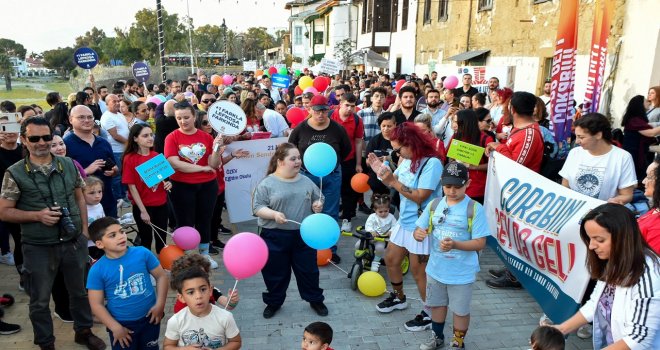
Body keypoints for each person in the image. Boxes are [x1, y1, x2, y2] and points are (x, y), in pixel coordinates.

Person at [0, 116, 106, 350]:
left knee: (79, 292)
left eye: (46, 137)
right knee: (39, 301)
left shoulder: (68, 164)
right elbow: (5, 212)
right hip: (38, 245)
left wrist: (84, 230)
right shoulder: (14, 172)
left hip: (73, 241)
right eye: (34, 138)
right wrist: (37, 216)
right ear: (24, 139)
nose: (42, 142)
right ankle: (46, 343)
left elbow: (79, 195)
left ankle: (84, 331)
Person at [367, 122, 443, 332]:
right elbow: (394, 181)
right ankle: (399, 298)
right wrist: (382, 172)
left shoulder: (432, 164)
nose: (397, 153)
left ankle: (430, 313)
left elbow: (420, 195)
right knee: (391, 259)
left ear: (412, 143)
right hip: (404, 221)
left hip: (422, 226)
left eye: (399, 149)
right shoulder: (407, 160)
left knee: (420, 273)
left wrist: (392, 181)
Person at [553, 203, 660, 349]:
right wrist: (560, 330)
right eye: (590, 239)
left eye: (600, 240)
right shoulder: (614, 260)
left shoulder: (649, 275)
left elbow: (639, 338)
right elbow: (594, 304)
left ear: (622, 237)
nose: (591, 246)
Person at [414, 162, 489, 349]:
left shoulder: (474, 208)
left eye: (458, 187)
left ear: (468, 183)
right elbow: (418, 229)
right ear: (441, 183)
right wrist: (419, 234)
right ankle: (437, 337)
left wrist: (456, 245)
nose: (452, 191)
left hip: (461, 273)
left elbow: (480, 243)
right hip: (436, 269)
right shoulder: (435, 204)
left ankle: (458, 342)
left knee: (460, 310)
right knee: (437, 305)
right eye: (448, 186)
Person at [252, 143, 326, 319]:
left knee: (308, 271)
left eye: (299, 158)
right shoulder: (267, 183)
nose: (298, 161)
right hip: (273, 235)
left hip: (303, 235)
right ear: (280, 162)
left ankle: (315, 299)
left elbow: (319, 198)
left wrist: (318, 205)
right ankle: (274, 302)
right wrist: (273, 214)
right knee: (275, 272)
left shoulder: (306, 180)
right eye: (293, 158)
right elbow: (257, 207)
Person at [485, 92, 545, 290]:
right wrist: (499, 145)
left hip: (522, 193)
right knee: (510, 233)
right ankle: (511, 268)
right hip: (512, 191)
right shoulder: (521, 130)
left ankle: (515, 276)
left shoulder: (530, 133)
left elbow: (517, 163)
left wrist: (497, 147)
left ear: (513, 109)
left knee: (518, 235)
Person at [87, 216, 168, 350]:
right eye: (112, 235)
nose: (121, 236)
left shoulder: (143, 253)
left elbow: (161, 277)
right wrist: (115, 327)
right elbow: (96, 305)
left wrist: (160, 305)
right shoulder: (97, 270)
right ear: (100, 244)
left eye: (121, 231)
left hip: (150, 318)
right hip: (121, 325)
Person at [288, 95, 351, 264]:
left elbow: (346, 150)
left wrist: (333, 164)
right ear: (309, 110)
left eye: (324, 110)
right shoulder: (301, 129)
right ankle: (307, 247)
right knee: (305, 211)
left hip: (332, 175)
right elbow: (291, 149)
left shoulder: (337, 129)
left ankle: (330, 249)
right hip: (306, 175)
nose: (321, 114)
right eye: (317, 111)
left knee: (330, 212)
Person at [164, 101, 224, 268]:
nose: (183, 121)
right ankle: (187, 256)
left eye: (186, 117)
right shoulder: (172, 137)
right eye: (179, 118)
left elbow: (213, 164)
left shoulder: (206, 136)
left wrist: (216, 150)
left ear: (194, 116)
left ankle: (204, 254)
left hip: (207, 186)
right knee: (184, 222)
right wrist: (202, 168)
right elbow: (174, 163)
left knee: (205, 220)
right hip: (182, 186)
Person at [559, 113, 637, 203]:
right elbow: (565, 186)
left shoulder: (622, 157)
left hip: (602, 213)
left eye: (581, 137)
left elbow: (626, 195)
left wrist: (614, 201)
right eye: (576, 136)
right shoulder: (575, 153)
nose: (577, 141)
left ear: (598, 135)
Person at [122, 124, 172, 254]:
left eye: (151, 135)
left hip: (161, 204)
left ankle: (162, 266)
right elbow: (132, 187)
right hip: (143, 206)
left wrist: (168, 184)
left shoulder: (156, 155)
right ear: (135, 138)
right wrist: (143, 211)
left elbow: (163, 179)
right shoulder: (129, 159)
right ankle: (146, 269)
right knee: (146, 240)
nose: (150, 138)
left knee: (162, 240)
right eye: (145, 135)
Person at [164, 265, 241, 349]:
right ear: (181, 298)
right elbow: (168, 346)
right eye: (191, 292)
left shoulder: (225, 317)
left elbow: (236, 342)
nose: (199, 296)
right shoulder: (176, 321)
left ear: (210, 290)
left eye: (203, 289)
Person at [64, 105, 119, 218]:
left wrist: (113, 171)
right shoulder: (65, 145)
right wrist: (86, 171)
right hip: (82, 206)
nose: (87, 120)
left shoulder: (103, 143)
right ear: (71, 119)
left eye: (90, 117)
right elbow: (64, 178)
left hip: (107, 200)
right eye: (81, 117)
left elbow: (115, 167)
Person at [330, 93, 365, 232]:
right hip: (329, 160)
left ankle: (347, 218)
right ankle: (329, 217)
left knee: (348, 191)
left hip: (348, 160)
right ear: (340, 103)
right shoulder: (330, 116)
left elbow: (358, 142)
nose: (350, 108)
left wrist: (358, 163)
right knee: (331, 190)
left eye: (352, 106)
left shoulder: (357, 120)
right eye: (347, 105)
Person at [170, 253, 240, 313]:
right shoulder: (180, 308)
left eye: (203, 275)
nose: (199, 296)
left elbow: (228, 305)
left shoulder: (210, 289)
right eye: (191, 292)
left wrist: (232, 301)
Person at [449, 110, 493, 204]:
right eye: (453, 121)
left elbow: (493, 165)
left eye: (457, 122)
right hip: (457, 186)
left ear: (466, 123)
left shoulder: (485, 139)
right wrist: (453, 161)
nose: (453, 125)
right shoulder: (456, 136)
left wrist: (474, 167)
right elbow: (450, 156)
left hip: (477, 189)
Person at [621, 95, 660, 186]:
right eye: (646, 101)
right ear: (640, 105)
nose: (648, 102)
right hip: (633, 153)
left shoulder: (637, 119)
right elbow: (650, 133)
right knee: (634, 178)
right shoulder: (634, 120)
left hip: (637, 152)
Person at [365, 112, 399, 196]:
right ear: (380, 126)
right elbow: (367, 162)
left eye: (389, 126)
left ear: (395, 125)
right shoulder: (374, 141)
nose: (386, 129)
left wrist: (390, 159)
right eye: (383, 126)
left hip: (396, 176)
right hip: (377, 179)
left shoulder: (399, 140)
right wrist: (375, 162)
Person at [363, 193, 397, 272]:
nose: (383, 213)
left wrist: (391, 231)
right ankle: (364, 258)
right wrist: (371, 231)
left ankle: (376, 261)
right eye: (380, 212)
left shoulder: (391, 217)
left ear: (389, 209)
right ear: (375, 210)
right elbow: (368, 225)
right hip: (370, 237)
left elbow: (395, 225)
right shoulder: (372, 216)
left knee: (380, 248)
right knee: (358, 245)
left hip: (381, 239)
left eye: (386, 211)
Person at [638, 157, 660, 253]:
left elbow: (648, 263)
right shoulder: (656, 208)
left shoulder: (658, 229)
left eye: (649, 177)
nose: (643, 181)